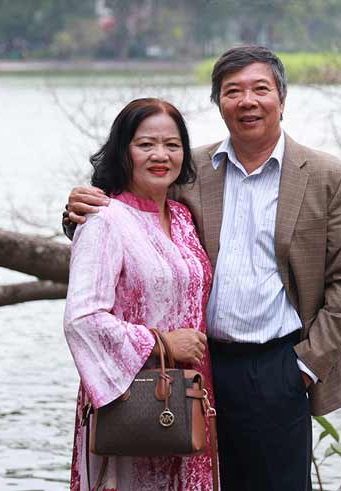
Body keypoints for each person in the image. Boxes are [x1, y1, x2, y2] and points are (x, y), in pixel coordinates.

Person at [66, 45, 341, 490]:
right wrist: (75, 211)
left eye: (259, 89)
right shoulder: (192, 171)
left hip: (281, 365)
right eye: (233, 91)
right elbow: (129, 214)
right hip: (198, 368)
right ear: (219, 103)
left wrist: (305, 367)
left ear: (281, 99)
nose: (247, 101)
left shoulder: (328, 175)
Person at [64, 98, 216, 490]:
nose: (160, 155)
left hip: (191, 396)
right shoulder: (104, 219)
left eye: (172, 144)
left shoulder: (183, 217)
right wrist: (160, 342)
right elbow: (83, 319)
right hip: (130, 402)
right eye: (146, 144)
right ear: (123, 150)